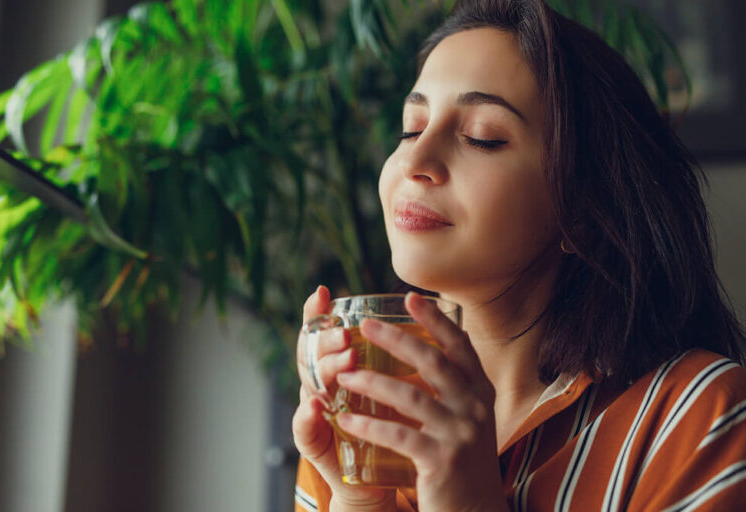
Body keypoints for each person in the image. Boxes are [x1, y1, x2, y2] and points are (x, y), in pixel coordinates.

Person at [292, 1, 746, 510]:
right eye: (411, 127)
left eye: (481, 138)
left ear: (581, 212)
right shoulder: (360, 427)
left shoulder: (696, 416)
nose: (415, 161)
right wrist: (360, 499)